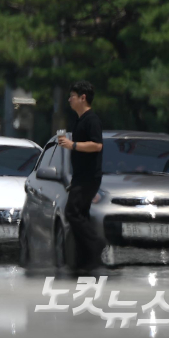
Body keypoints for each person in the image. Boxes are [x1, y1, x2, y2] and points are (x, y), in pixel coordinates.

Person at [58, 81, 104, 271]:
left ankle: (97, 243)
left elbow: (97, 145)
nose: (69, 100)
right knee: (81, 215)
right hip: (80, 177)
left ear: (83, 98)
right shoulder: (79, 120)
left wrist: (73, 145)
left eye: (72, 96)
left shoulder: (91, 120)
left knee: (72, 212)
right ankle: (86, 261)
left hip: (88, 178)